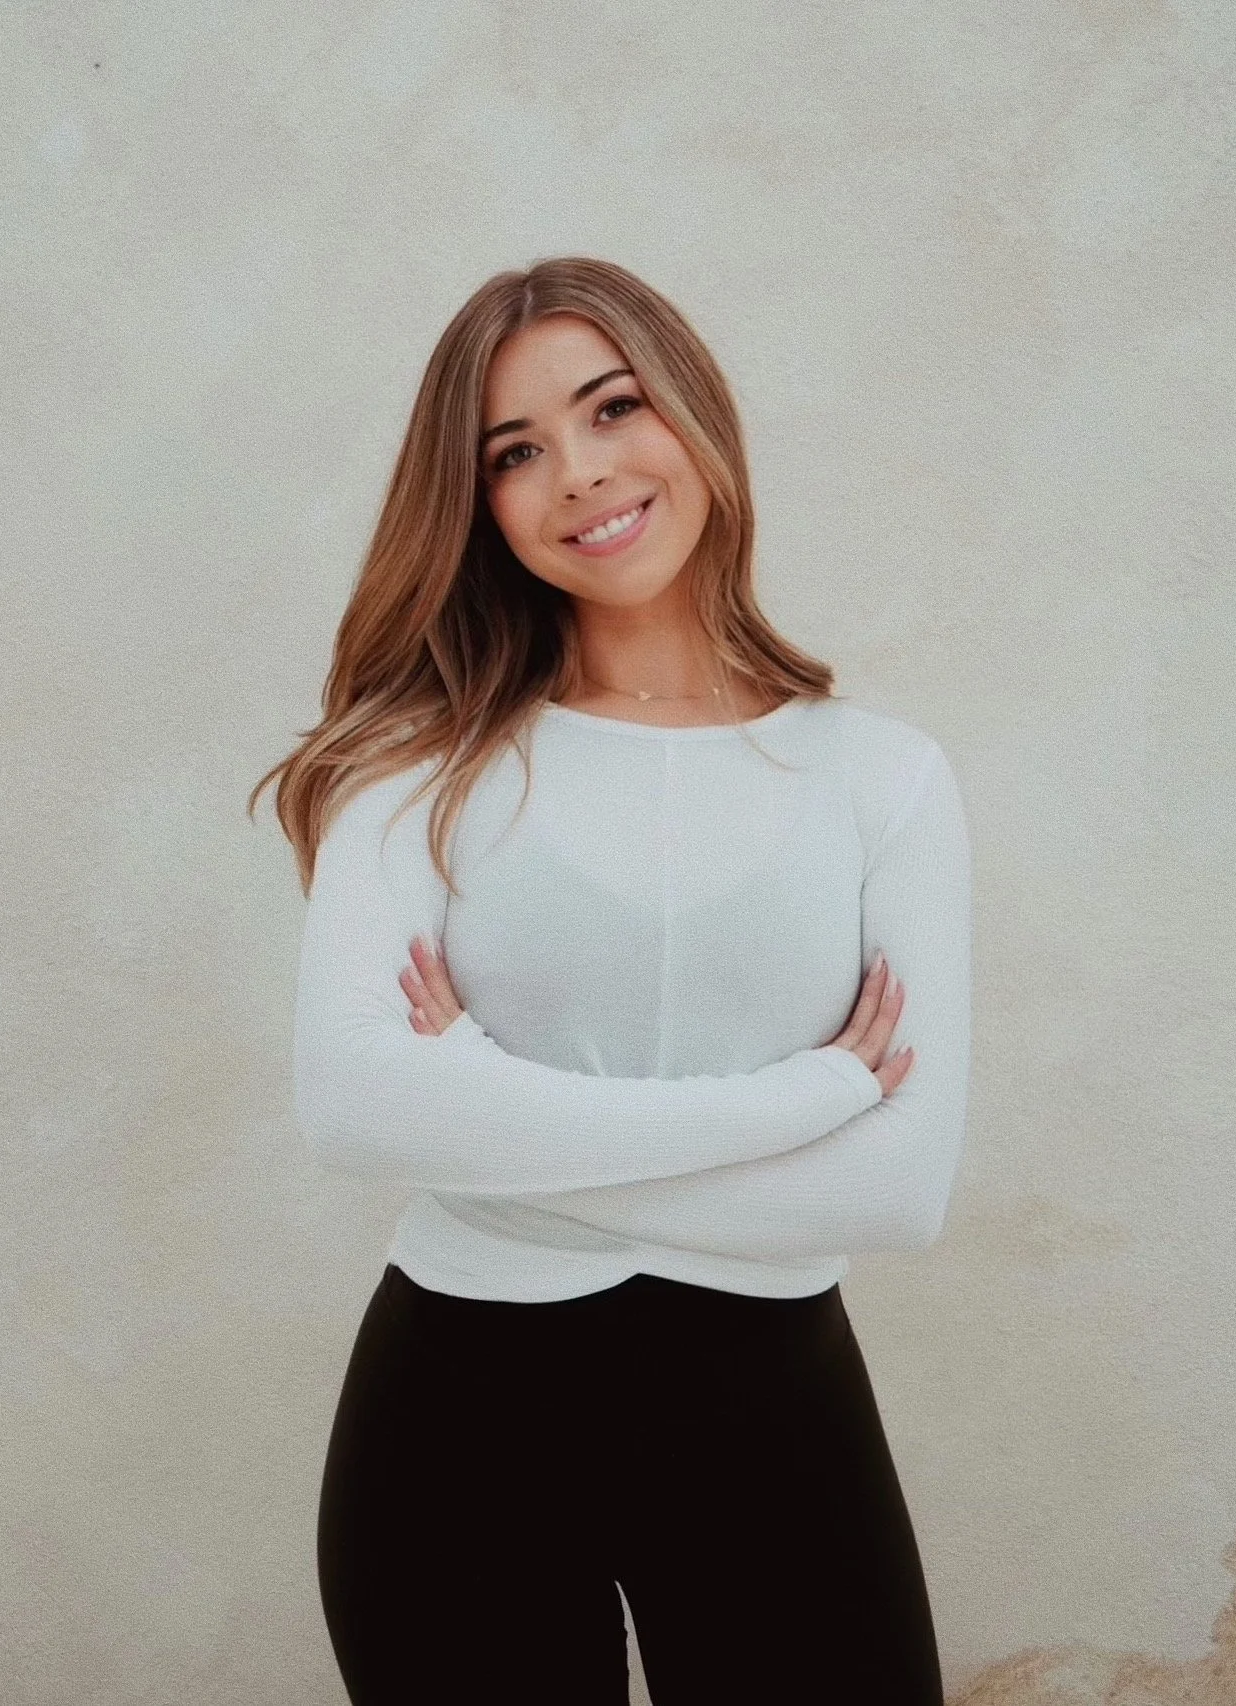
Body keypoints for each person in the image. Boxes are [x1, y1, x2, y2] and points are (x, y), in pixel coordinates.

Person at [250, 255, 972, 1704]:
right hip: (454, 1431)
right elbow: (353, 1107)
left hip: (778, 1428)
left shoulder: (878, 776)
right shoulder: (412, 765)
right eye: (514, 452)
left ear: (695, 414)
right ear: (477, 504)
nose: (578, 473)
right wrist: (798, 1099)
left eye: (612, 407)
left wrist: (486, 1123)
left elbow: (898, 1189)